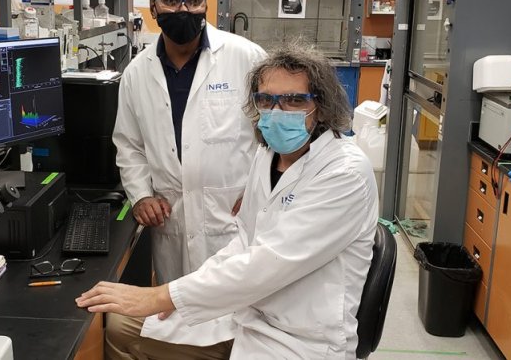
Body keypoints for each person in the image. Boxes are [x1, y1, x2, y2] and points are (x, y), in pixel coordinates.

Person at [79, 46, 378, 359]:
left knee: (143, 314)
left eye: (294, 100)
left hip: (299, 338)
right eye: (266, 100)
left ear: (321, 106)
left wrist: (162, 296)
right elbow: (243, 241)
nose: (276, 112)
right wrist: (182, 296)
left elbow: (269, 263)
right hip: (248, 314)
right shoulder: (268, 157)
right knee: (119, 327)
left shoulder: (344, 173)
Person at [109, 0, 267, 358]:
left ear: (206, 3)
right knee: (178, 325)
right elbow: (128, 143)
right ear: (153, 7)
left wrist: (259, 189)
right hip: (173, 220)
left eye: (194, 0)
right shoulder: (136, 73)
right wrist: (141, 195)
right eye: (172, 1)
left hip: (232, 220)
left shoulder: (245, 58)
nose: (184, 9)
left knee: (237, 328)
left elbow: (274, 136)